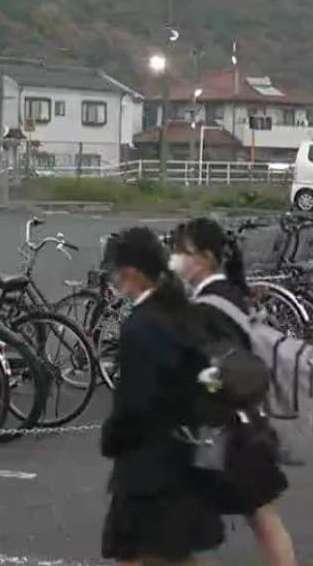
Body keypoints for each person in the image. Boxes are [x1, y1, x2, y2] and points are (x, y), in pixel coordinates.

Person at [170, 217, 297, 566]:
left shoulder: (206, 307)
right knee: (264, 519)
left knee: (173, 527)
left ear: (206, 258)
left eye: (182, 252)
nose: (175, 258)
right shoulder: (231, 294)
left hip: (218, 435)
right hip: (247, 425)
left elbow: (209, 369)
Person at [99, 226, 225, 566]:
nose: (114, 281)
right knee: (170, 554)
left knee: (139, 553)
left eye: (115, 273)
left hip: (149, 467)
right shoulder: (181, 310)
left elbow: (134, 403)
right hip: (186, 455)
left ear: (132, 274)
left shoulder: (140, 326)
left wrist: (111, 438)